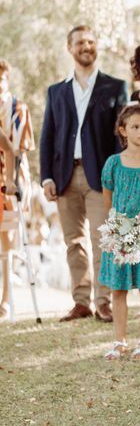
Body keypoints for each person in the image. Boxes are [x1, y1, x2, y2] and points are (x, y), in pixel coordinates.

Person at [40, 25, 128, 323]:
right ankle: (81, 302)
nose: (86, 47)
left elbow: (120, 135)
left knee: (103, 238)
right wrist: (47, 177)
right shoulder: (56, 91)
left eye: (91, 42)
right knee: (73, 242)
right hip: (64, 176)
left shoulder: (115, 87)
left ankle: (104, 302)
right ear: (70, 47)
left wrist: (119, 173)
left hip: (101, 176)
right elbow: (47, 136)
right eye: (80, 42)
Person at [99, 105, 140, 360]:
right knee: (118, 289)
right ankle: (119, 341)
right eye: (135, 126)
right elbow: (107, 200)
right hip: (120, 235)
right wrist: (116, 229)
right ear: (123, 130)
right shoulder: (113, 163)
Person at [0, 60, 35, 319]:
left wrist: (14, 182)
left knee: (8, 240)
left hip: (10, 181)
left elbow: (18, 149)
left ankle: (6, 299)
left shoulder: (18, 109)